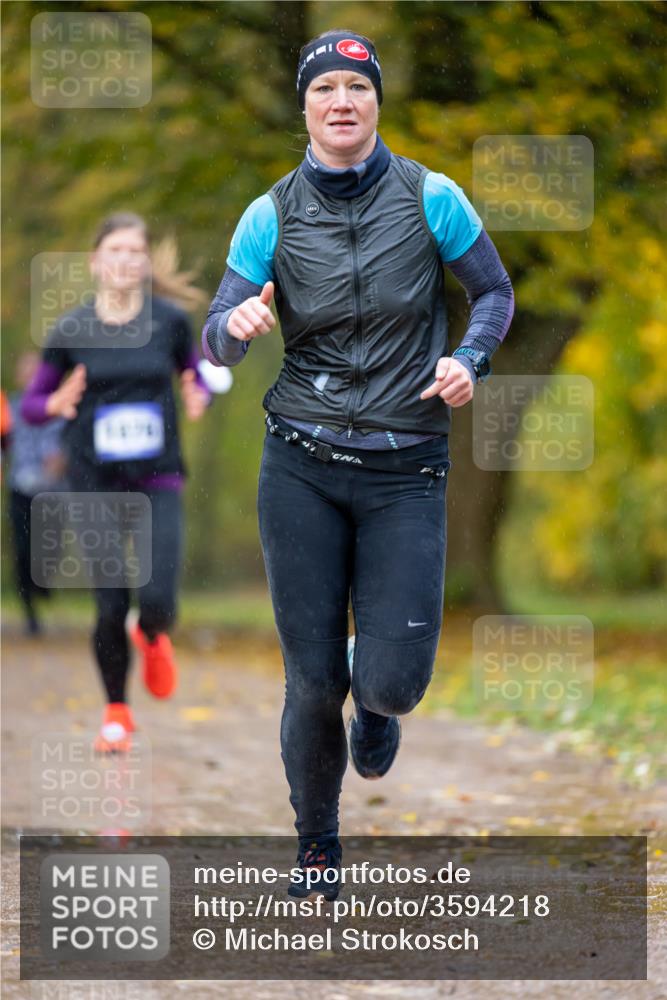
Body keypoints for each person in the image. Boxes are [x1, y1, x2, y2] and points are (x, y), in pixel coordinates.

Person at [203, 29, 514, 898]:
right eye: (325, 88)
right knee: (310, 681)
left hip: (404, 465)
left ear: (377, 103)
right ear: (304, 107)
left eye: (358, 87)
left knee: (390, 682)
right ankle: (316, 847)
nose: (342, 101)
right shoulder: (269, 213)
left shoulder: (431, 197)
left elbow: (491, 292)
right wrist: (233, 329)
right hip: (297, 460)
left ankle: (375, 706)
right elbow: (217, 333)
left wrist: (469, 360)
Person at [22, 213, 212, 752]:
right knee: (109, 600)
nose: (126, 260)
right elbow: (35, 402)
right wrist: (53, 404)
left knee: (158, 597)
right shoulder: (70, 330)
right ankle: (116, 712)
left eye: (135, 251)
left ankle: (152, 632)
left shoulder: (169, 322)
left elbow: (195, 374)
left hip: (158, 477)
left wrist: (200, 392)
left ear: (146, 262)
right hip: (93, 482)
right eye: (116, 251)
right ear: (96, 263)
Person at [6, 351, 67, 636]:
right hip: (20, 488)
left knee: (50, 547)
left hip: (52, 492)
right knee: (23, 548)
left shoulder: (57, 405)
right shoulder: (9, 407)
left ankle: (43, 583)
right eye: (26, 371)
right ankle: (30, 611)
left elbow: (69, 444)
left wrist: (61, 460)